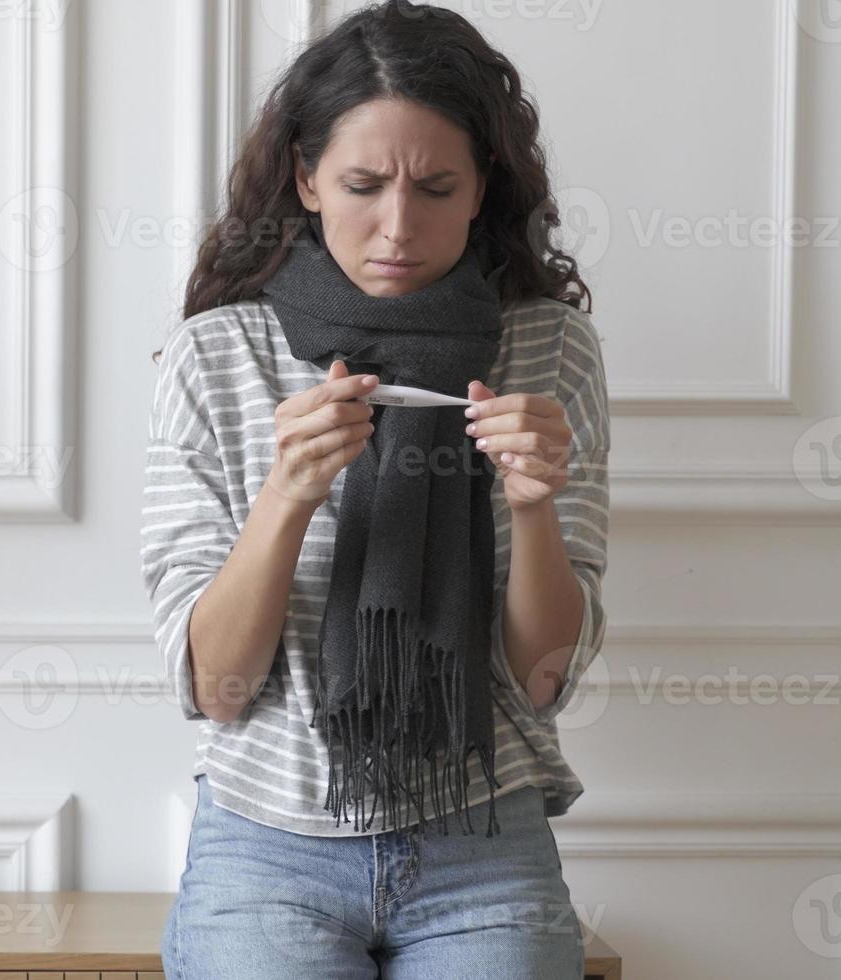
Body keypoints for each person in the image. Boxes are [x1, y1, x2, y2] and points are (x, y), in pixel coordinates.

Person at [140, 2, 610, 977]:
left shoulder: (546, 349)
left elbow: (544, 678)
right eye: (362, 183)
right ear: (306, 176)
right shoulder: (215, 357)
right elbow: (218, 688)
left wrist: (530, 503)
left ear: (483, 187)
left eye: (436, 186)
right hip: (267, 845)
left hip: (482, 838)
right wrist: (287, 497)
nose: (398, 226)